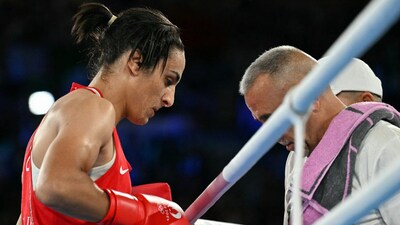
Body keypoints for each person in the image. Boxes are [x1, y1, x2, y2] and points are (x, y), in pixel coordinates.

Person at [18, 3, 189, 225]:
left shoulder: (74, 111)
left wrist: (126, 202)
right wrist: (139, 212)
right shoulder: (94, 108)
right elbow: (55, 186)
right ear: (136, 62)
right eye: (168, 80)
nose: (169, 99)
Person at [239, 45, 400, 224]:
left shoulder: (386, 144)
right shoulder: (297, 157)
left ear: (313, 97)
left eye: (273, 119)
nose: (269, 134)